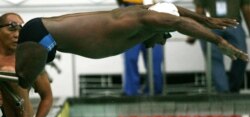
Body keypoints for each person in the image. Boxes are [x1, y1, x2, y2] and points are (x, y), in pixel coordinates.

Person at [15, 2, 249, 89]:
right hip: (42, 35)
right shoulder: (138, 20)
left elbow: (173, 10)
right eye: (164, 35)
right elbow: (177, 21)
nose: (164, 41)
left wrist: (206, 20)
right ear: (157, 26)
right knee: (22, 84)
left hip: (48, 39)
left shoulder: (145, 16)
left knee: (26, 86)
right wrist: (219, 41)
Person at [0, 12, 53, 117]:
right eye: (11, 29)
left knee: (8, 71)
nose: (17, 35)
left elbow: (47, 97)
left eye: (20, 30)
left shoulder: (28, 60)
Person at [187, 0, 250, 93]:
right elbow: (199, 11)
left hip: (233, 23)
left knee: (242, 55)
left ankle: (231, 89)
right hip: (211, 24)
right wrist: (193, 32)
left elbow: (246, 8)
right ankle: (224, 91)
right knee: (214, 57)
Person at [116, 0, 164, 96]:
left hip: (153, 8)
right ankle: (131, 92)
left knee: (155, 58)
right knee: (131, 57)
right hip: (131, 9)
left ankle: (155, 89)